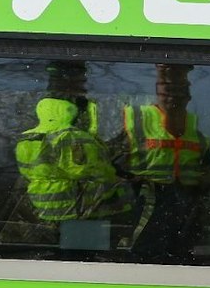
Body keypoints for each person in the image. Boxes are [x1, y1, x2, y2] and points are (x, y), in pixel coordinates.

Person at [15, 62, 127, 250]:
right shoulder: (69, 131)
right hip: (79, 211)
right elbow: (90, 169)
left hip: (46, 211)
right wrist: (118, 178)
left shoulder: (36, 129)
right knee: (81, 264)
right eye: (79, 80)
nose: (83, 86)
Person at [119, 64, 210, 263]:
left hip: (183, 207)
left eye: (179, 92)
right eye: (167, 91)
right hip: (145, 204)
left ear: (188, 98)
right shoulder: (136, 121)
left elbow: (207, 175)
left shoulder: (198, 133)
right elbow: (113, 166)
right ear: (158, 92)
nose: (172, 98)